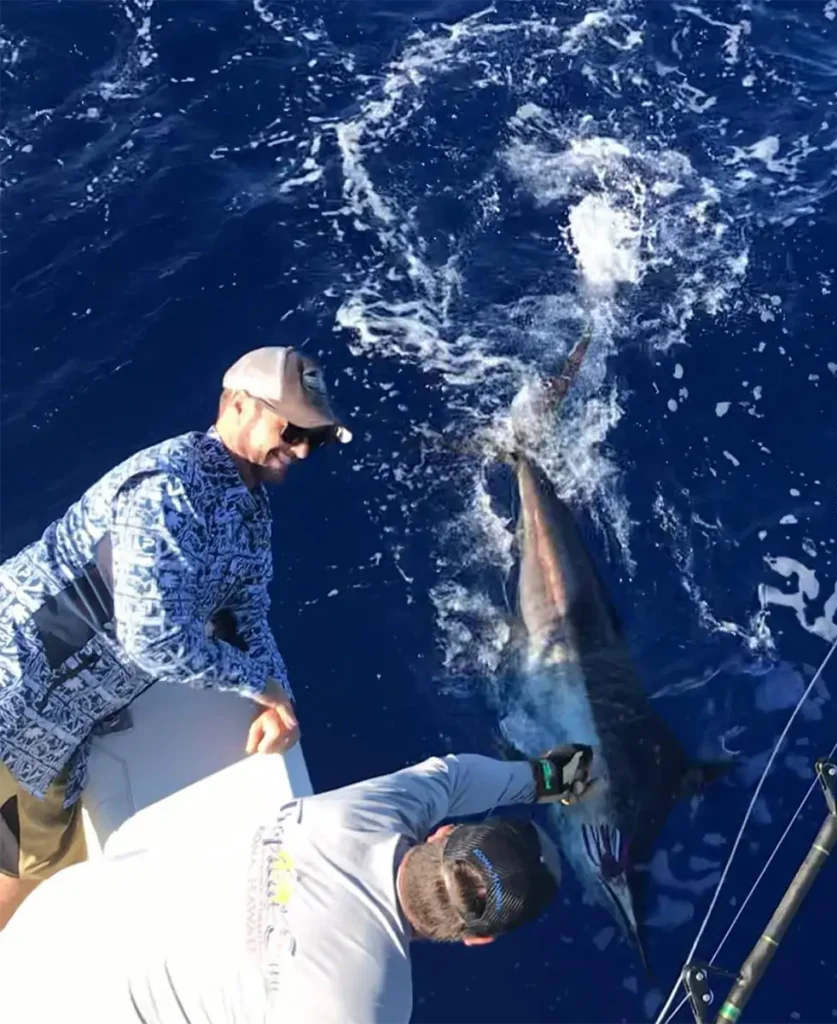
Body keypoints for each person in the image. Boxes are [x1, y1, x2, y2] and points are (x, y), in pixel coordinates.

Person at [0, 345, 352, 929]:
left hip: (58, 727)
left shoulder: (251, 513)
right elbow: (151, 639)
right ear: (238, 404)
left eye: (311, 439)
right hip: (14, 685)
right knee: (31, 862)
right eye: (290, 430)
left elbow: (249, 611)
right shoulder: (168, 487)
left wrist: (279, 696)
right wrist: (256, 683)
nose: (297, 450)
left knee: (37, 862)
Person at [0, 742, 597, 1023]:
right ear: (477, 940)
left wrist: (548, 775)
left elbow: (453, 774)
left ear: (439, 835)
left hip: (43, 927)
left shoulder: (368, 813)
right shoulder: (373, 1005)